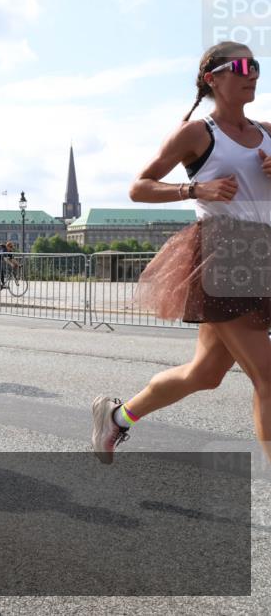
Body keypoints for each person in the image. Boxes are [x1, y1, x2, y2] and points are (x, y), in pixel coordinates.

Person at [93, 42, 271, 465]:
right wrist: (195, 189)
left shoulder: (268, 131)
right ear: (213, 78)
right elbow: (139, 186)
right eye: (242, 66)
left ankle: (116, 417)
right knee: (267, 377)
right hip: (223, 255)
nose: (253, 73)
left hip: (264, 253)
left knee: (204, 375)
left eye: (257, 65)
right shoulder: (197, 133)